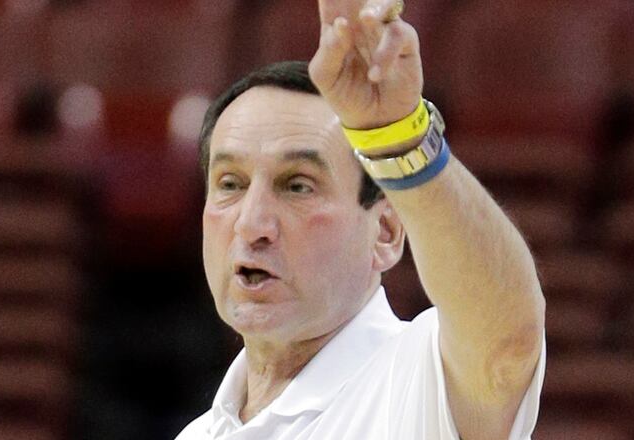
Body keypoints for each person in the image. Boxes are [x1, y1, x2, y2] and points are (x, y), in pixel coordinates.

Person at [176, 0, 546, 438]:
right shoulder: (199, 434)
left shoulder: (414, 379)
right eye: (230, 184)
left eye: (298, 186)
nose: (251, 225)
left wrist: (398, 135)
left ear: (386, 232)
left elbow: (508, 342)